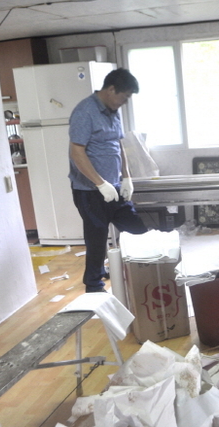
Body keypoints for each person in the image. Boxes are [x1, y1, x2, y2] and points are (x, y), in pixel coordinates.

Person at [69, 68, 147, 293]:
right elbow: (76, 152)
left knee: (137, 230)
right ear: (111, 89)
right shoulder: (85, 111)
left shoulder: (114, 112)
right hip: (89, 191)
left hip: (115, 186)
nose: (125, 102)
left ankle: (144, 270)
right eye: (124, 97)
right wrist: (100, 183)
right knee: (97, 237)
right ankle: (94, 285)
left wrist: (127, 176)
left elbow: (118, 145)